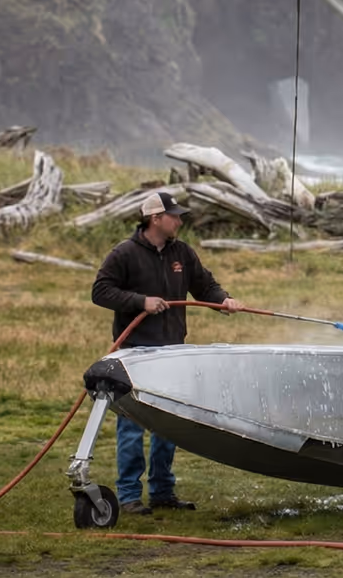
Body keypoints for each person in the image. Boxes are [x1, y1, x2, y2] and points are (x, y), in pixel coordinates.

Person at [90, 191, 241, 516]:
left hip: (173, 353)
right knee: (132, 427)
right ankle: (129, 497)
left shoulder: (182, 253)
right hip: (135, 354)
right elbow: (100, 291)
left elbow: (204, 286)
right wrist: (140, 302)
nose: (180, 220)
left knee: (168, 424)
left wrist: (223, 300)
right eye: (174, 215)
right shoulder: (124, 253)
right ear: (155, 218)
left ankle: (162, 492)